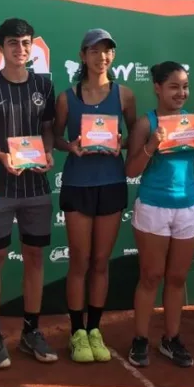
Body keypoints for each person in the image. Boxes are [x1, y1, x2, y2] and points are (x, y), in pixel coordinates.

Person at [125, 62, 194, 368]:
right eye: (173, 86)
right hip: (153, 206)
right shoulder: (145, 123)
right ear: (157, 88)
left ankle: (171, 338)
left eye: (185, 87)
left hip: (188, 207)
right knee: (151, 277)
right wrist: (153, 143)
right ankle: (140, 339)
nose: (181, 93)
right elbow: (131, 170)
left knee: (177, 278)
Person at [0, 18, 57, 367]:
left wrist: (49, 153)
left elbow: (48, 129)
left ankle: (31, 330)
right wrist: (2, 156)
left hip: (36, 187)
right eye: (13, 43)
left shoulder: (44, 85)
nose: (20, 49)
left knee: (35, 258)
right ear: (0, 47)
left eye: (25, 43)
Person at [53, 29, 136, 363]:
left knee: (101, 262)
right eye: (95, 51)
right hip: (77, 185)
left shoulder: (126, 96)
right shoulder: (66, 97)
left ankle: (94, 329)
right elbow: (56, 137)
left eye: (107, 51)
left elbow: (134, 135)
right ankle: (76, 332)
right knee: (79, 261)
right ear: (82, 55)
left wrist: (120, 143)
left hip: (111, 184)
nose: (102, 57)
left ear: (112, 56)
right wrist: (70, 146)